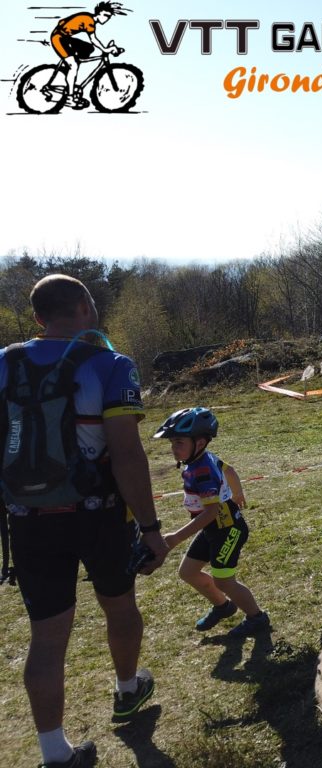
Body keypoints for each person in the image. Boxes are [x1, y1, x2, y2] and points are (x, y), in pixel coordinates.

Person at [1, 274, 167, 768]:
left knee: (47, 638)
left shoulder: (4, 364)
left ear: (37, 317)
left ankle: (55, 752)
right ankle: (126, 689)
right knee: (119, 607)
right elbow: (127, 455)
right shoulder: (111, 365)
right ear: (84, 308)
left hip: (29, 520)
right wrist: (152, 528)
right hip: (99, 515)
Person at [154, 407, 271, 638]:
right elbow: (230, 470)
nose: (173, 449)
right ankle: (223, 606)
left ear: (198, 443)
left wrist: (176, 537)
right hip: (212, 528)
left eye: (178, 442)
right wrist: (237, 493)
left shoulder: (203, 471)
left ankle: (257, 618)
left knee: (224, 580)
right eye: (172, 443)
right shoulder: (203, 458)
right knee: (188, 572)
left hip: (227, 530)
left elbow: (210, 512)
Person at [46, 2, 127, 109]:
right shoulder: (89, 21)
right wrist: (106, 49)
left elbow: (62, 21)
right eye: (105, 15)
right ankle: (69, 97)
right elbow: (93, 39)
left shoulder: (87, 17)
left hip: (65, 37)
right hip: (59, 38)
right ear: (98, 13)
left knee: (89, 48)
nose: (106, 19)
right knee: (73, 65)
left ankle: (71, 68)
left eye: (109, 17)